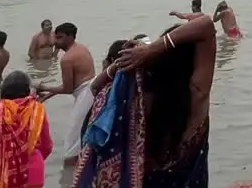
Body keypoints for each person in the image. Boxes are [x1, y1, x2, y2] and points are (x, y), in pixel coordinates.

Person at [74, 15, 218, 186]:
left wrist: (120, 63)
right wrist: (153, 49)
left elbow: (96, 88)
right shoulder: (197, 96)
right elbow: (207, 26)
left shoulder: (137, 102)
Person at [0, 71, 53, 187]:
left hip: (0, 177)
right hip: (33, 176)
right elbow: (46, 147)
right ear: (27, 92)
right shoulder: (36, 111)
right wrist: (29, 159)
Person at [35, 23, 96, 164]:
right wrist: (48, 94)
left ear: (70, 37)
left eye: (60, 38)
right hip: (90, 90)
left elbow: (68, 89)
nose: (56, 41)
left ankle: (68, 176)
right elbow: (72, 86)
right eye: (56, 37)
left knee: (72, 141)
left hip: (85, 95)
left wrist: (44, 87)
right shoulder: (81, 48)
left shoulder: (67, 59)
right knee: (81, 134)